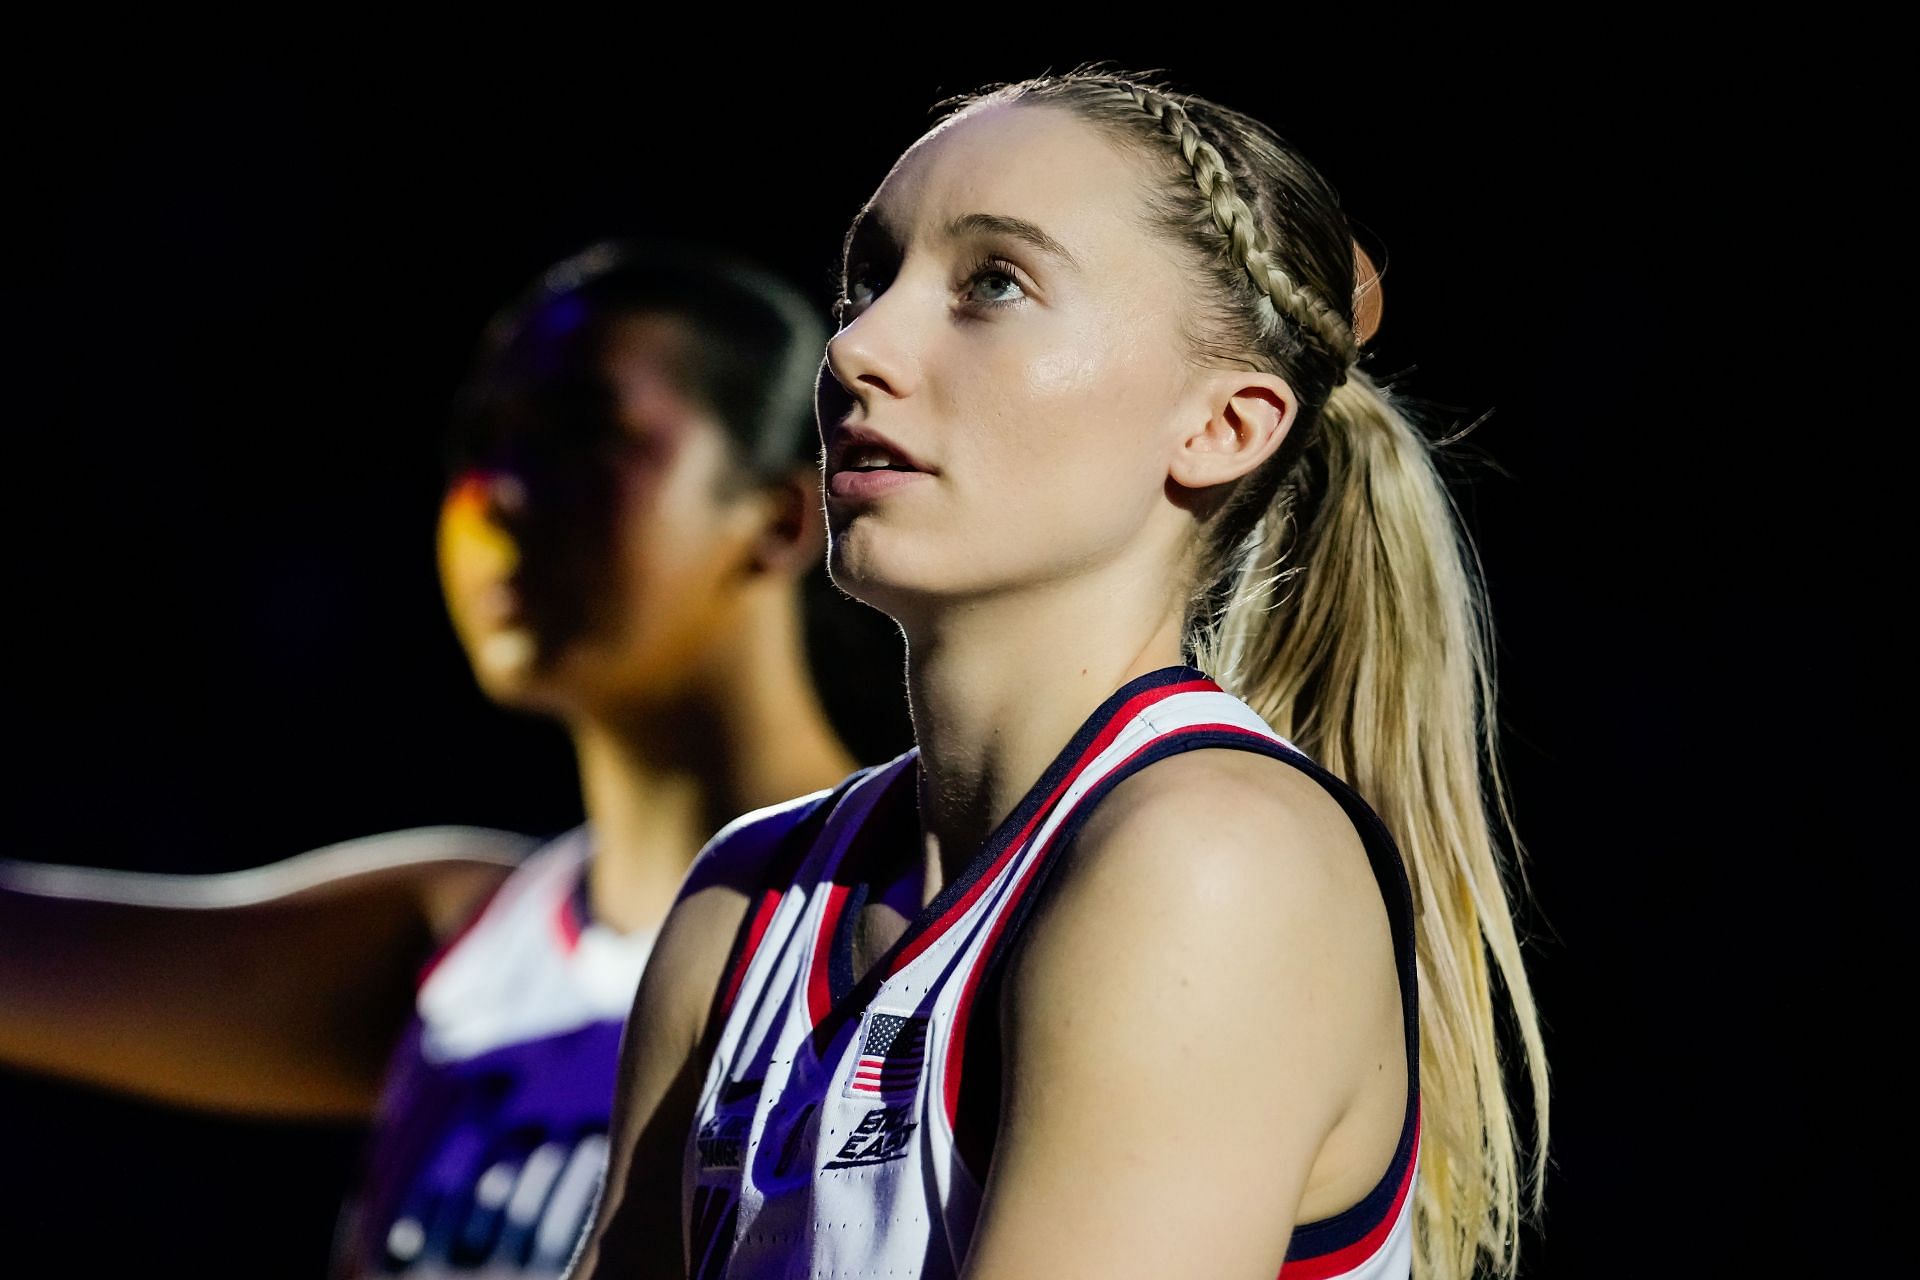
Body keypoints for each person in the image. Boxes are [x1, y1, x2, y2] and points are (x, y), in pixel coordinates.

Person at [571, 70, 1549, 1280]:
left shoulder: (1216, 856)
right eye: (866, 281)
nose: (857, 348)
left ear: (1222, 426)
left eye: (995, 283)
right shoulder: (745, 898)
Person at [0, 242, 874, 1277]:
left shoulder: (925, 916)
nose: (498, 492)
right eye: (482, 439)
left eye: (580, 432)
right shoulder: (465, 942)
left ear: (780, 516)